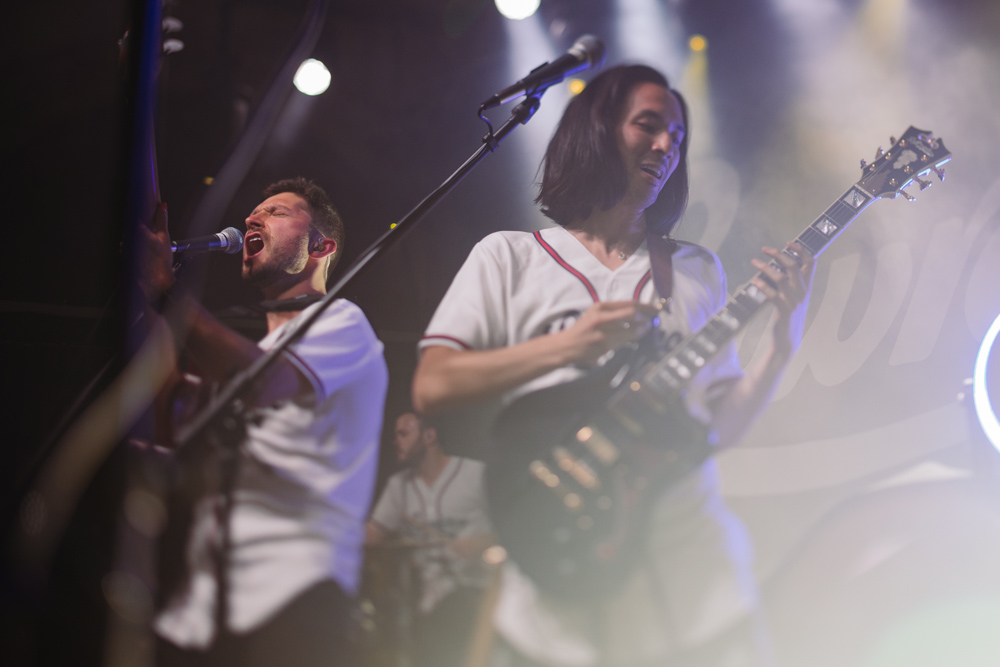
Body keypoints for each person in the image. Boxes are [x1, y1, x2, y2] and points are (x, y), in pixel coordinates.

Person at [411, 65, 815, 667]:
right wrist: (568, 346)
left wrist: (782, 341)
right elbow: (433, 384)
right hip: (553, 598)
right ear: (597, 131)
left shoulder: (697, 269)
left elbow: (714, 429)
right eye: (648, 125)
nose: (666, 145)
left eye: (677, 137)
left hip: (694, 593)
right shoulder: (509, 257)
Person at [141, 177, 388, 666]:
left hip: (295, 597)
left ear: (321, 246)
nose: (252, 217)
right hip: (204, 606)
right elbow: (173, 417)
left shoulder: (342, 321)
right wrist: (150, 297)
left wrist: (166, 293)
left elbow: (263, 384)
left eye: (276, 212)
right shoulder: (257, 355)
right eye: (256, 212)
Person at [366, 411, 495, 667]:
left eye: (403, 434)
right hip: (426, 611)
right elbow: (371, 537)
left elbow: (517, 525)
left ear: (429, 436)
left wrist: (480, 544)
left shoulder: (475, 474)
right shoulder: (398, 486)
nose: (396, 441)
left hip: (479, 600)